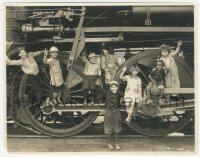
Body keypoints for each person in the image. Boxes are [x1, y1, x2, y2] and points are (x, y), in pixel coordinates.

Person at [104, 81, 122, 150]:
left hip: (116, 112)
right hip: (109, 112)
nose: (114, 89)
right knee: (109, 128)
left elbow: (126, 94)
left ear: (117, 88)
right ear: (110, 88)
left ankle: (117, 143)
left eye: (115, 87)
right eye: (112, 87)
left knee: (116, 128)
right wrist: (98, 80)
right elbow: (99, 88)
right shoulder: (106, 93)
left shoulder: (119, 94)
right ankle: (109, 143)